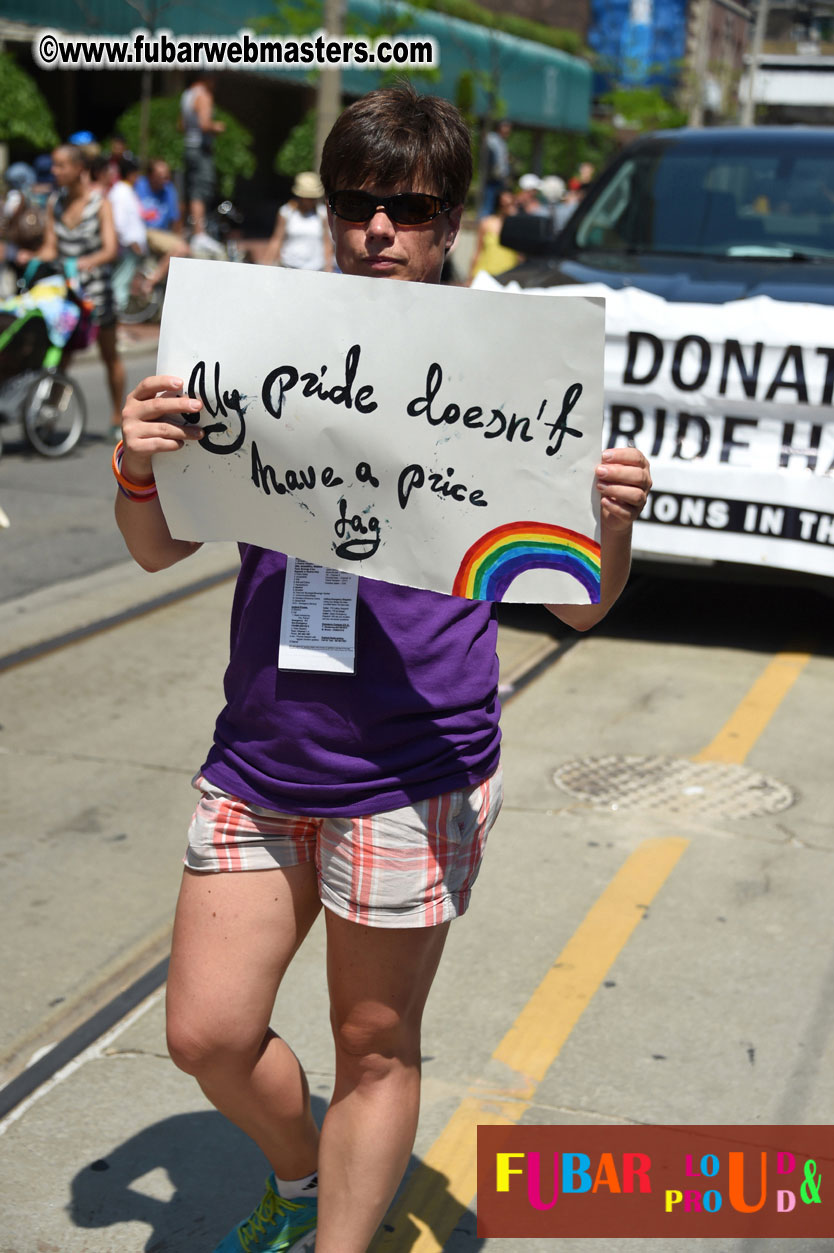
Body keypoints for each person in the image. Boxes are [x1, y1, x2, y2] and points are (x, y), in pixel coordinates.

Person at [115, 84, 651, 1253]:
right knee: (207, 1030)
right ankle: (302, 1172)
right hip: (261, 756)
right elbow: (158, 546)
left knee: (372, 1041)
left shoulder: (506, 376)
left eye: (407, 210)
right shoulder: (257, 347)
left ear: (451, 221)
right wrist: (137, 466)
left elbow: (580, 608)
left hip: (416, 770)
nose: (378, 232)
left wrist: (608, 524)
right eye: (357, 205)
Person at [28, 143, 123, 435]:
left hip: (97, 294)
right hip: (67, 295)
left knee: (110, 355)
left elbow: (110, 250)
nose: (54, 171)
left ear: (79, 169)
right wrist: (27, 258)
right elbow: (49, 248)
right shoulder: (54, 203)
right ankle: (49, 418)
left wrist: (81, 263)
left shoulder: (100, 203)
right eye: (53, 166)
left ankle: (119, 417)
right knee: (61, 356)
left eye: (60, 166)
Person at [180, 73, 225, 246]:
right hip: (200, 148)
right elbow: (204, 124)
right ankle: (199, 233)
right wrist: (217, 127)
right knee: (201, 189)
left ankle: (190, 230)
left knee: (190, 190)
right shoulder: (204, 95)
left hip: (189, 146)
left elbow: (182, 125)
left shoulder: (186, 95)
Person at [134, 158, 190, 290]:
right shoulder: (139, 186)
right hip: (144, 231)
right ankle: (151, 282)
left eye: (167, 175)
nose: (165, 179)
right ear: (150, 176)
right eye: (161, 176)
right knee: (181, 248)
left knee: (187, 249)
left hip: (161, 233)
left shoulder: (169, 189)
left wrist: (178, 236)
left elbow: (175, 218)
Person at [262, 171, 333, 272]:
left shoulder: (322, 214)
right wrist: (265, 266)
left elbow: (327, 244)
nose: (310, 200)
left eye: (312, 198)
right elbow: (277, 239)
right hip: (289, 268)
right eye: (307, 197)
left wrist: (329, 270)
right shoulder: (286, 212)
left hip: (315, 270)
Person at [108, 153, 148, 316]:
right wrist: (131, 243)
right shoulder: (121, 193)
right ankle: (115, 319)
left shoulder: (124, 191)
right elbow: (118, 223)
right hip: (127, 247)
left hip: (130, 246)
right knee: (121, 282)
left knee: (124, 281)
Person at [468, 188, 521, 281]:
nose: (510, 207)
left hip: (508, 279)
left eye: (512, 203)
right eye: (505, 204)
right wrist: (470, 277)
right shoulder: (487, 223)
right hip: (484, 276)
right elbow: (478, 252)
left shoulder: (520, 227)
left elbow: (521, 257)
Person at [480, 118, 512, 217]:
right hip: (492, 178)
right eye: (506, 127)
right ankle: (483, 224)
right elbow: (491, 159)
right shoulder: (492, 139)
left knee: (495, 205)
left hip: (499, 179)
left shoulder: (502, 142)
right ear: (500, 127)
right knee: (488, 204)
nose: (508, 130)